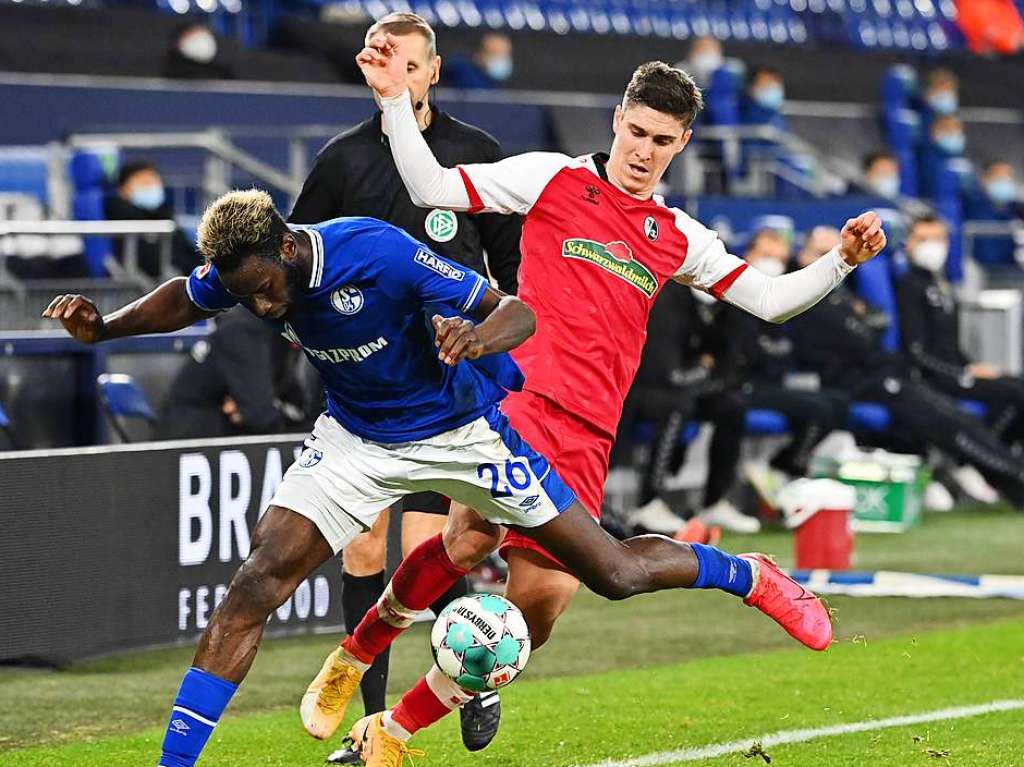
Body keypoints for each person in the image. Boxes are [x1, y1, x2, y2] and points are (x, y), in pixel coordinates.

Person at [44, 191, 834, 767]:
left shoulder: (374, 250)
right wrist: (105, 329)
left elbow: (516, 311)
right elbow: (187, 296)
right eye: (245, 293)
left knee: (615, 572)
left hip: (460, 434)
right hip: (354, 439)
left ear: (287, 247)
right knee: (257, 579)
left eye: (263, 289)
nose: (258, 303)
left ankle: (747, 574)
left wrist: (476, 334)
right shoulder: (239, 268)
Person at [326, 45, 887, 767]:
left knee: (537, 614)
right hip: (517, 403)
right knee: (469, 538)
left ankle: (389, 730)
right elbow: (433, 185)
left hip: (589, 434)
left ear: (681, 143)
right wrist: (397, 101)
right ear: (617, 119)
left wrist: (840, 259)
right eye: (636, 132)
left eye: (662, 140)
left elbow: (772, 301)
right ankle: (364, 667)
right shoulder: (551, 179)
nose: (644, 151)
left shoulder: (679, 236)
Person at [287, 13, 522, 759]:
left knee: (434, 550)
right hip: (363, 386)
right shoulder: (342, 160)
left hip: (449, 386)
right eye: (390, 62)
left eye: (414, 65)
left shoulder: (475, 156)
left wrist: (487, 341)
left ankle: (473, 676)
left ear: (433, 71)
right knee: (363, 550)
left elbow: (515, 277)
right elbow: (292, 269)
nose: (403, 75)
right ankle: (372, 730)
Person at [788, 226, 1024, 509]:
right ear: (802, 256)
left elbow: (872, 328)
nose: (827, 258)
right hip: (852, 383)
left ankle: (1010, 473)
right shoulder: (801, 299)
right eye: (818, 252)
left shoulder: (844, 297)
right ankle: (1009, 476)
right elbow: (855, 344)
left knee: (955, 416)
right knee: (944, 419)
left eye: (832, 251)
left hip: (880, 374)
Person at [624, 280, 757, 535]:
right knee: (677, 406)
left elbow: (727, 363)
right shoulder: (668, 300)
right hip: (642, 386)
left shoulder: (721, 305)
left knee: (732, 406)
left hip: (688, 386)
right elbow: (668, 372)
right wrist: (704, 367)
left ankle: (714, 501)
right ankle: (648, 501)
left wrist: (703, 369)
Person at [896, 213, 1024, 453]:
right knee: (1014, 394)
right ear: (910, 243)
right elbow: (916, 351)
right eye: (924, 239)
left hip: (955, 371)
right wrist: (961, 372)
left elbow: (951, 346)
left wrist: (973, 366)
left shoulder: (942, 286)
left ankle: (997, 456)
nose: (931, 247)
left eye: (938, 239)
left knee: (1017, 383)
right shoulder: (909, 286)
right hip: (934, 377)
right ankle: (980, 458)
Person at [157, 306, 308, 440]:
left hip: (225, 431)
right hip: (189, 438)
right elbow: (260, 417)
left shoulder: (284, 328)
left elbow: (295, 403)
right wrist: (264, 409)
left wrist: (273, 408)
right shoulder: (243, 327)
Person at [104, 160, 200, 278]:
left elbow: (187, 251)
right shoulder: (123, 218)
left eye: (154, 182)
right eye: (144, 182)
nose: (150, 187)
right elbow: (148, 261)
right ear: (123, 190)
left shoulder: (163, 215)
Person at [964, 160, 1023, 266]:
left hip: (1010, 270)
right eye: (999, 177)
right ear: (984, 179)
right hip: (978, 270)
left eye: (1008, 177)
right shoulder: (969, 205)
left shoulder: (1016, 209)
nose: (1004, 181)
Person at [162, 22, 235, 80]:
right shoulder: (172, 73)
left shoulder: (222, 73)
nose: (201, 40)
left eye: (204, 34)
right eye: (193, 35)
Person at [443, 32, 514, 89]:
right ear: (482, 54)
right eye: (497, 54)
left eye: (505, 55)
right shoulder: (458, 68)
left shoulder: (498, 83)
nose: (501, 59)